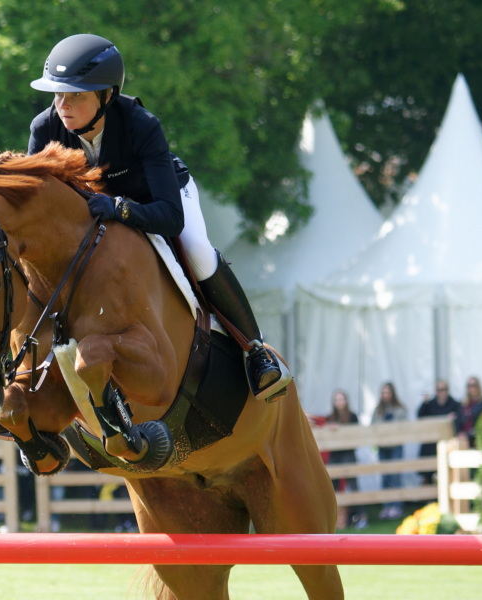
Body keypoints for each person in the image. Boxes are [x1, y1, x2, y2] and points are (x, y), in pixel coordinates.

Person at [28, 33, 290, 402]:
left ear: (107, 96)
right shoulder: (45, 129)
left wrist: (121, 208)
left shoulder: (141, 125)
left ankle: (255, 350)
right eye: (57, 94)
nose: (63, 105)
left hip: (159, 198)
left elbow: (170, 217)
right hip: (95, 214)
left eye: (76, 95)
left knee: (197, 250)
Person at [325, 389, 366, 529]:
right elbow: (325, 436)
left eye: (341, 399)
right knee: (332, 487)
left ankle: (360, 517)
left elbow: (356, 434)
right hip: (335, 454)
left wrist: (340, 428)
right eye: (337, 400)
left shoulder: (353, 416)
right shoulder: (330, 417)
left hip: (348, 454)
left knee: (353, 486)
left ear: (346, 401)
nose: (339, 402)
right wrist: (330, 429)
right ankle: (333, 518)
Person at [371, 381, 407, 520]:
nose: (385, 395)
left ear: (392, 393)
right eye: (383, 392)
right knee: (385, 477)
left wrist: (390, 425)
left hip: (396, 446)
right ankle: (387, 506)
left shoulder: (400, 409)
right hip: (383, 446)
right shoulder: (378, 410)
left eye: (388, 392)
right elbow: (373, 426)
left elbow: (402, 426)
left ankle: (396, 507)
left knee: (395, 476)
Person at [416, 380, 460, 483]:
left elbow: (459, 420)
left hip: (447, 442)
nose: (441, 392)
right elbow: (420, 416)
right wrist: (424, 403)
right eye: (439, 390)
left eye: (444, 389)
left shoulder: (454, 404)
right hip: (431, 444)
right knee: (428, 472)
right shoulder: (430, 404)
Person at [456, 376, 482, 448]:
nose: (471, 388)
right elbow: (458, 421)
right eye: (469, 386)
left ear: (479, 387)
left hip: (477, 439)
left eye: (474, 385)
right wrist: (459, 433)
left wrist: (469, 434)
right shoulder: (463, 404)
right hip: (462, 440)